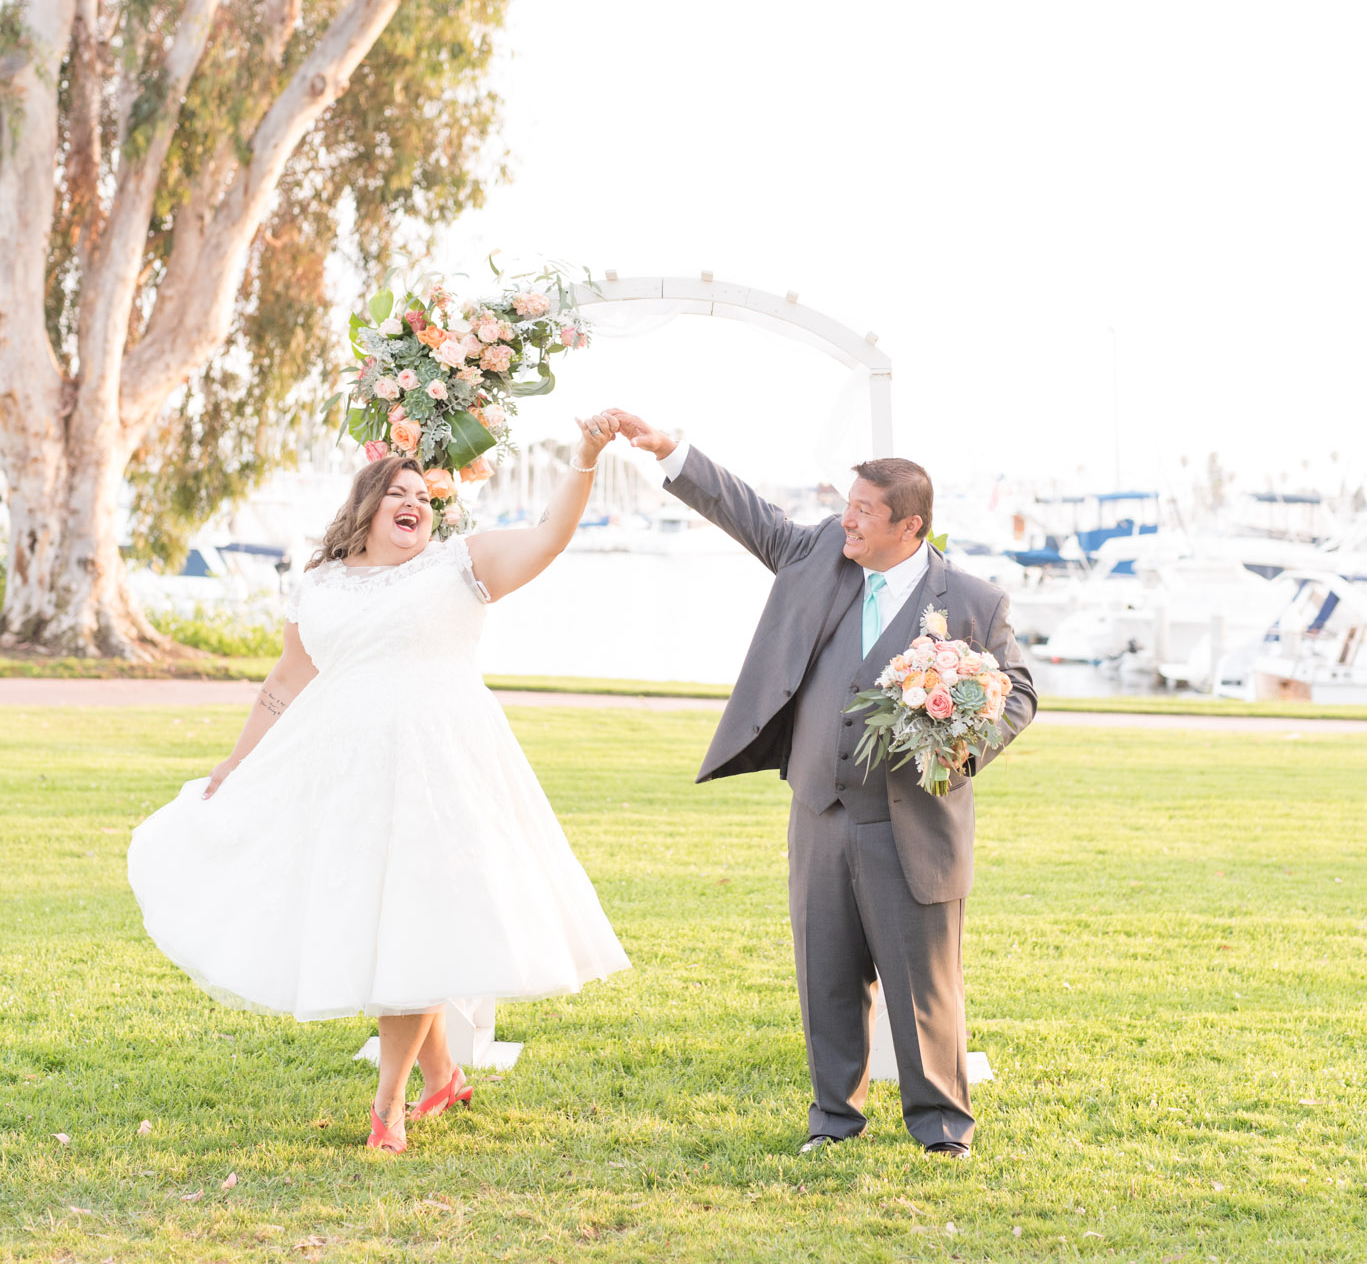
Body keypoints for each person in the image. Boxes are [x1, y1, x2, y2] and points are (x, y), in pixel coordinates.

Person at [127, 415, 630, 1153]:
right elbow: (288, 678)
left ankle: (388, 1105)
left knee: (415, 916)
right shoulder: (320, 585)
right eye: (398, 492)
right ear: (366, 507)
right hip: (346, 773)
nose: (415, 504)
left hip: (443, 767)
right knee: (377, 916)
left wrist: (584, 456)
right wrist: (239, 758)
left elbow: (549, 535)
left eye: (424, 496)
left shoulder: (460, 565)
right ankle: (443, 1075)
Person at [608, 415, 1035, 1160]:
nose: (847, 519)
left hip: (911, 823)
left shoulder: (971, 600)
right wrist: (670, 450)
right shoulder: (814, 555)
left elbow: (1018, 694)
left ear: (910, 525)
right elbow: (745, 511)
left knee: (923, 986)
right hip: (819, 812)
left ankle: (940, 1130)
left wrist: (956, 748)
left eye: (865, 510)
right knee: (826, 979)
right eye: (848, 503)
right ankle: (833, 1120)